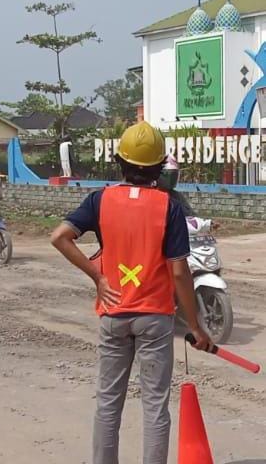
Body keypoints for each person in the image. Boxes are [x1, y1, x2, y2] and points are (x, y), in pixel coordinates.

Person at [50, 121, 213, 464]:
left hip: (113, 313)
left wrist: (97, 275)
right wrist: (196, 328)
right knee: (155, 405)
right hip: (154, 317)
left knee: (108, 403)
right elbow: (180, 272)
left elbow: (59, 237)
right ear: (158, 168)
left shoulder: (99, 199)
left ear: (120, 162)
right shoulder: (169, 207)